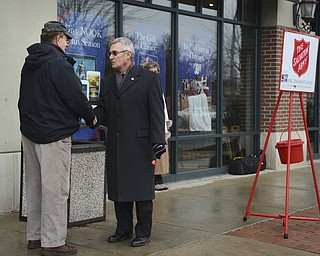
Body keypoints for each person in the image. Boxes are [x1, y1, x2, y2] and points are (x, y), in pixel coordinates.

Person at [18, 21, 97, 256]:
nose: (68, 44)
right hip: (54, 134)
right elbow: (75, 96)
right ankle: (52, 242)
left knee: (35, 188)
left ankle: (35, 236)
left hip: (30, 131)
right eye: (67, 40)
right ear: (58, 38)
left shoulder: (30, 63)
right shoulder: (58, 63)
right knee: (56, 190)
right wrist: (91, 117)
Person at [93, 37, 166, 247]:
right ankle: (123, 229)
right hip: (116, 144)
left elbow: (157, 112)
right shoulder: (107, 81)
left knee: (141, 191)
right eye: (110, 53)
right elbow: (103, 109)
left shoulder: (148, 79)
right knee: (119, 188)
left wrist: (158, 141)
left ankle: (143, 231)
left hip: (140, 145)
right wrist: (93, 117)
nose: (111, 57)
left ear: (128, 55)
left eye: (115, 53)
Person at [143, 61, 172, 191]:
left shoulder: (158, 87)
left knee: (161, 154)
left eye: (156, 72)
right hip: (152, 127)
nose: (155, 75)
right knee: (153, 155)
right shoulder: (145, 87)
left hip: (161, 126)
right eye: (152, 72)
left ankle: (159, 179)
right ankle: (153, 181)